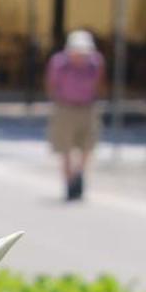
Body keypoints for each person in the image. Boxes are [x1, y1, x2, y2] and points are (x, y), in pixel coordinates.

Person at [45, 29, 106, 201]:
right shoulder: (59, 63)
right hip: (65, 107)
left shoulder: (95, 62)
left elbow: (100, 83)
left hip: (87, 107)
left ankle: (79, 174)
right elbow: (51, 84)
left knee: (88, 145)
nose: (80, 56)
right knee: (65, 148)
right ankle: (69, 181)